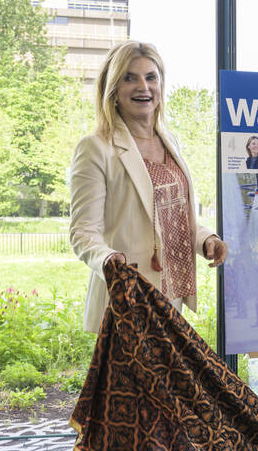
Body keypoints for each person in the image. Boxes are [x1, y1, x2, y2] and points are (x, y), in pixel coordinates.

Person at [70, 41, 227, 333]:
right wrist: (107, 259)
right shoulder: (96, 148)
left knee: (167, 381)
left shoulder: (170, 142)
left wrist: (206, 239)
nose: (143, 86)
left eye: (150, 77)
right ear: (113, 89)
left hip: (172, 297)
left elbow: (173, 216)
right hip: (128, 301)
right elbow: (82, 232)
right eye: (130, 77)